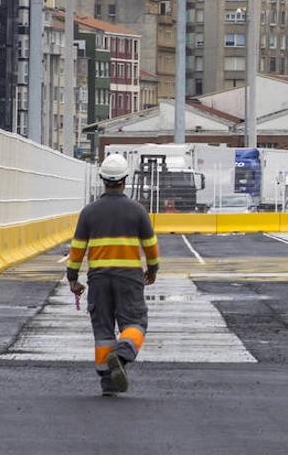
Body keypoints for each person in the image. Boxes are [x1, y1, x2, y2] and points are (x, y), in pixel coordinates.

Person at [66, 153, 160, 397]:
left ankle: (108, 383)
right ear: (125, 180)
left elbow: (77, 249)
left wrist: (72, 277)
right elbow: (151, 246)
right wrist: (152, 269)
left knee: (103, 327)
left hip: (98, 279)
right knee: (136, 322)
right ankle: (122, 353)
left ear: (102, 180)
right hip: (129, 278)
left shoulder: (89, 212)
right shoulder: (137, 211)